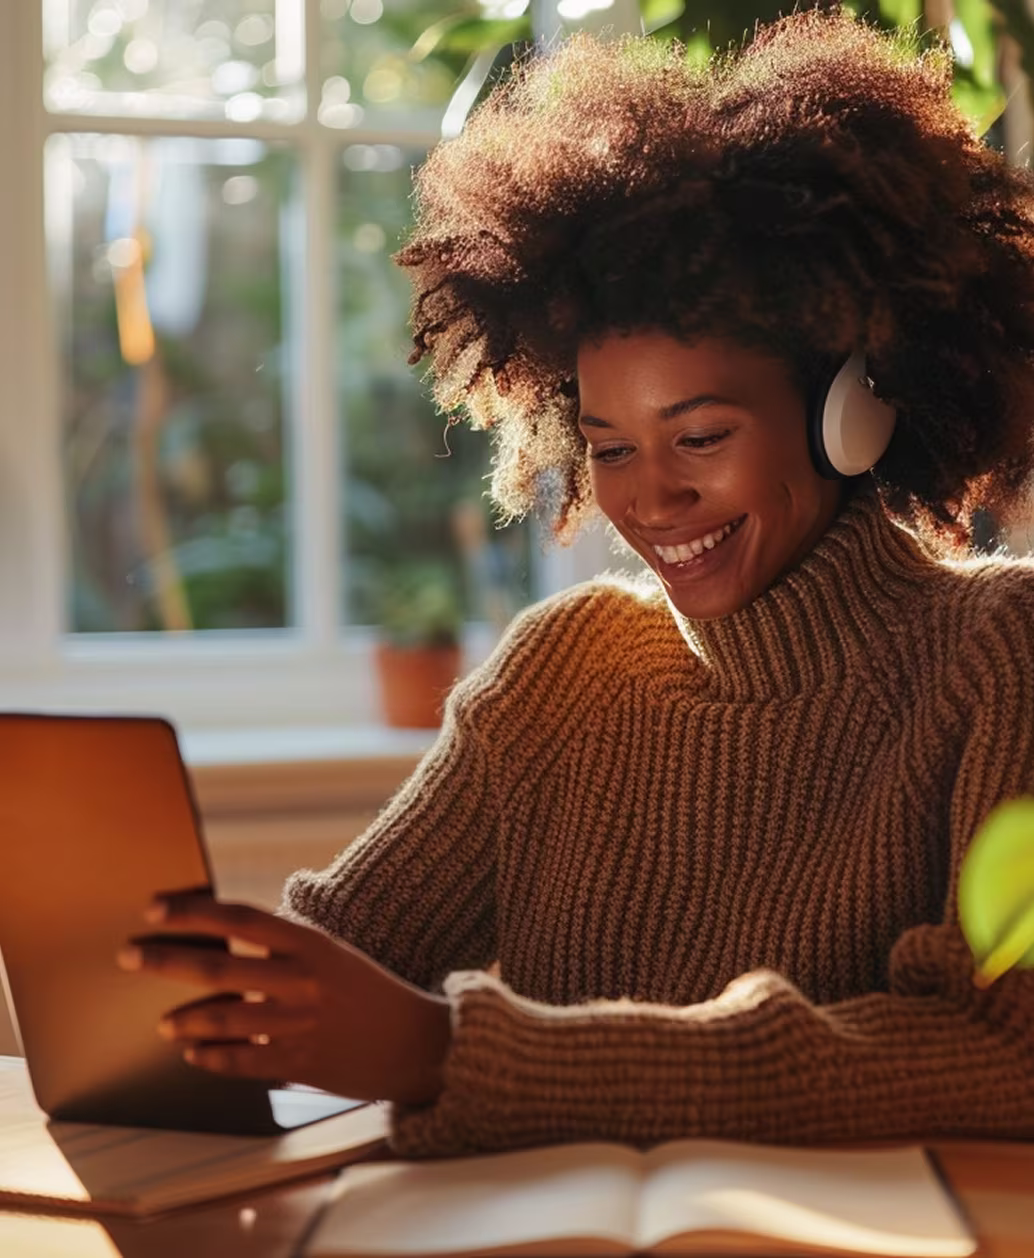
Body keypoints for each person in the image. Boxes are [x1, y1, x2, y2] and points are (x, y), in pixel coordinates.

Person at [119, 8, 1034, 1156]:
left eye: (698, 436)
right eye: (608, 447)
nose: (649, 499)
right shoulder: (563, 670)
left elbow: (1003, 1054)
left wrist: (452, 1052)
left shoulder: (1000, 655)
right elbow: (349, 948)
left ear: (847, 412)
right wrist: (198, 984)